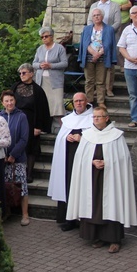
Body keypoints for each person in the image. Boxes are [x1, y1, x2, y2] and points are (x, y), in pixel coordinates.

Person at [66, 106, 137, 254]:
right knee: (93, 204)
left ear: (106, 118)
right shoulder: (87, 135)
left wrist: (108, 162)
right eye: (94, 117)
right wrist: (92, 162)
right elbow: (80, 158)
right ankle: (97, 236)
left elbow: (123, 158)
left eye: (99, 116)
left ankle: (114, 239)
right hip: (91, 176)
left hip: (111, 177)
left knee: (111, 204)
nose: (96, 119)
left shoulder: (117, 135)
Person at [47, 92, 93, 231]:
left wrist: (82, 138)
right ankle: (68, 219)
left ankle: (84, 220)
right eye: (76, 101)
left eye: (81, 100)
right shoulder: (68, 119)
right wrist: (66, 137)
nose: (78, 103)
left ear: (86, 102)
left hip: (83, 161)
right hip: (67, 160)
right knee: (67, 185)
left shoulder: (93, 118)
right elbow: (59, 139)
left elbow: (96, 139)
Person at [12, 63, 51, 183]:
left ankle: (29, 173)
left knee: (31, 147)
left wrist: (38, 127)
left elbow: (42, 109)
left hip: (31, 121)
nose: (21, 75)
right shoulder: (15, 87)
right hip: (17, 120)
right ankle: (16, 173)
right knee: (16, 146)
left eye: (24, 73)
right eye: (20, 73)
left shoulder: (38, 90)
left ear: (31, 74)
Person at [0, 91, 30, 226]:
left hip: (18, 158)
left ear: (15, 101)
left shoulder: (21, 116)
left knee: (21, 186)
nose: (9, 103)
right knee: (4, 186)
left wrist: (13, 155)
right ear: (2, 103)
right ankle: (7, 213)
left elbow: (24, 138)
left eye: (11, 100)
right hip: (2, 158)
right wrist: (4, 155)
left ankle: (25, 214)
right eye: (6, 101)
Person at [79, 8, 117, 107]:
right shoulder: (87, 29)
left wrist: (99, 53)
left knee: (101, 81)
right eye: (94, 15)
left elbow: (110, 43)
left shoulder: (109, 29)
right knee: (89, 81)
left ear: (102, 16)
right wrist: (93, 53)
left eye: (98, 15)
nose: (96, 17)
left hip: (102, 58)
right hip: (89, 57)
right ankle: (89, 101)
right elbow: (84, 43)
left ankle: (101, 101)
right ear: (92, 17)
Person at [32, 27, 67, 129]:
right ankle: (44, 127)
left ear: (52, 36)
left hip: (55, 81)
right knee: (43, 104)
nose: (44, 38)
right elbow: (34, 63)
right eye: (42, 37)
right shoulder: (40, 49)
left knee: (58, 104)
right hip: (41, 80)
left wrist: (51, 66)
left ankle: (63, 128)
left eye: (46, 36)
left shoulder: (59, 48)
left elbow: (64, 63)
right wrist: (40, 65)